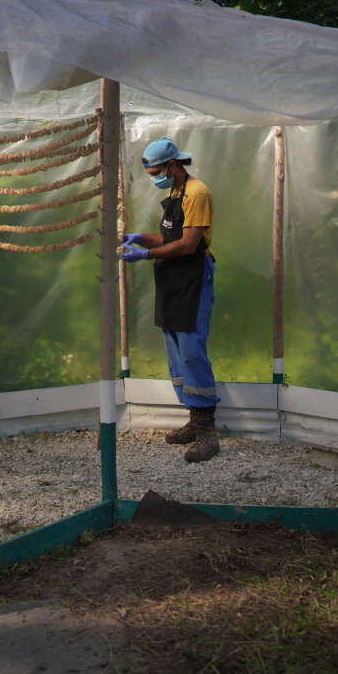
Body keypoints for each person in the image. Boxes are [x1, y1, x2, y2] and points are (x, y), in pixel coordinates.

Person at [119, 137, 219, 462]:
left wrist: (146, 254)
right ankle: (193, 419)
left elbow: (189, 244)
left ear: (173, 165)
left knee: (191, 349)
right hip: (171, 278)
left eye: (156, 172)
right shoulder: (174, 192)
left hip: (192, 276)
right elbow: (168, 237)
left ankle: (207, 431)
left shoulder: (197, 193)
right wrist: (138, 238)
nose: (154, 178)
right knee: (175, 349)